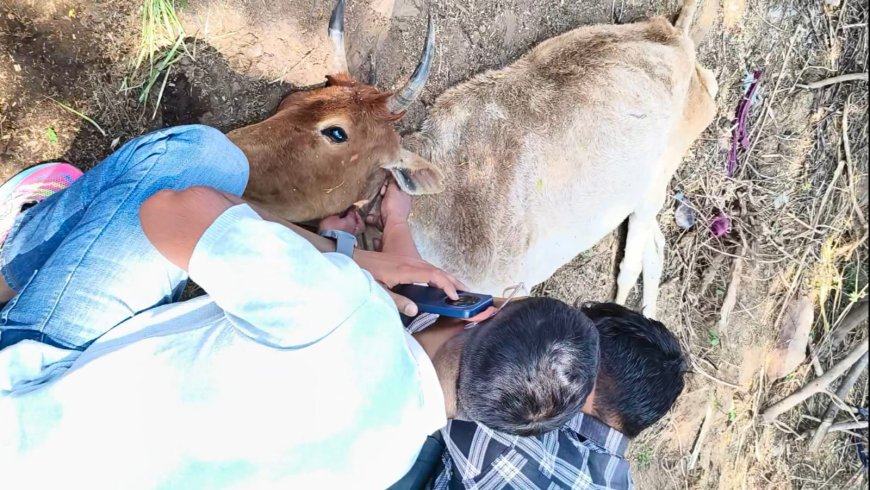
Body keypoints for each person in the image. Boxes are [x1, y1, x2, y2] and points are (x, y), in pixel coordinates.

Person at [0, 125, 600, 489]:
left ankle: (16, 256)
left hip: (26, 405)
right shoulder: (386, 465)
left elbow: (171, 209)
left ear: (484, 311)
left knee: (202, 158)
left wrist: (356, 262)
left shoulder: (343, 309)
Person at [361, 184, 688, 490]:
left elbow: (430, 333)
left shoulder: (517, 437)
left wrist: (395, 224)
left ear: (586, 378)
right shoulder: (616, 480)